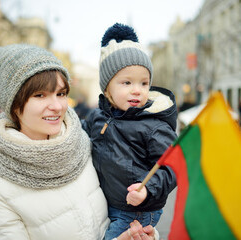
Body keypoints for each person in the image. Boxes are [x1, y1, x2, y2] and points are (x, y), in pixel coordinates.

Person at [0, 44, 157, 240]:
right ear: (14, 105)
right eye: (40, 95)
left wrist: (144, 235)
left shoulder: (87, 143)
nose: (57, 106)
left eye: (60, 94)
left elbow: (126, 212)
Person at [82, 23, 178, 240]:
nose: (137, 90)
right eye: (127, 82)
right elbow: (79, 134)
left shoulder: (153, 125)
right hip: (108, 203)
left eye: (144, 83)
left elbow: (174, 165)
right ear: (107, 88)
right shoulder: (98, 117)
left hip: (137, 211)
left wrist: (148, 190)